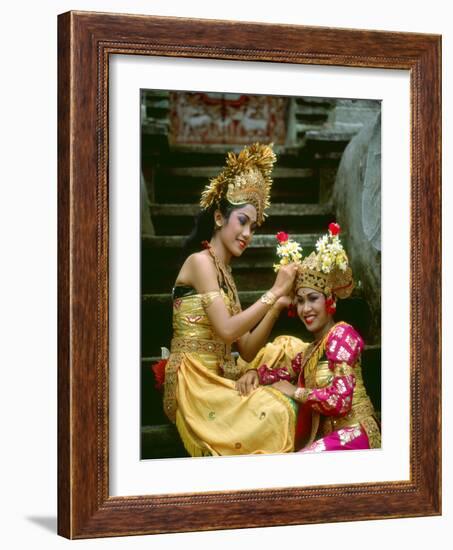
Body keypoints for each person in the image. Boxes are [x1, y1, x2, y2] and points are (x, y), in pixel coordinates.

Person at [162, 143, 304, 457]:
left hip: (225, 370)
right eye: (242, 221)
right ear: (218, 217)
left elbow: (247, 348)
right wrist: (275, 292)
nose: (248, 233)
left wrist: (277, 306)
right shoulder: (200, 263)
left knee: (290, 349)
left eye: (253, 226)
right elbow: (227, 330)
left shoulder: (225, 273)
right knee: (277, 411)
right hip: (196, 381)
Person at [241, 223, 381, 452]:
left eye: (313, 298)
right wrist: (254, 373)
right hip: (332, 438)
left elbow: (341, 400)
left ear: (331, 300)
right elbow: (282, 373)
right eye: (300, 301)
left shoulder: (342, 335)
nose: (305, 309)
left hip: (357, 433)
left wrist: (295, 391)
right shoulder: (310, 352)